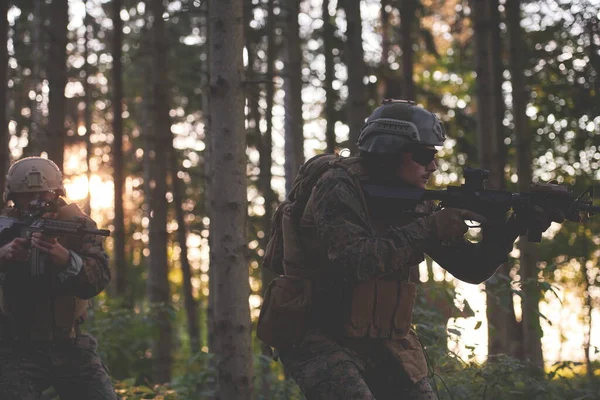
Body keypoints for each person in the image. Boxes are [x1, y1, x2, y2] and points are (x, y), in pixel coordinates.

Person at [262, 100, 563, 399]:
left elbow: (472, 269)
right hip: (316, 329)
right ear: (389, 151)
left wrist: (511, 227)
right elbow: (353, 261)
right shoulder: (337, 186)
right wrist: (430, 227)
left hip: (377, 335)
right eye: (423, 155)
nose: (432, 166)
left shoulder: (415, 199)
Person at [0, 157, 116, 400]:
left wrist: (67, 260)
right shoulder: (5, 226)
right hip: (16, 345)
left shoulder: (77, 225)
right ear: (12, 197)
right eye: (26, 196)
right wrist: (4, 254)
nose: (36, 202)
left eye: (45, 194)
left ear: (57, 193)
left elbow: (97, 281)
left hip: (69, 344)